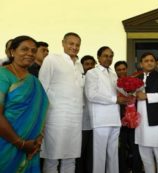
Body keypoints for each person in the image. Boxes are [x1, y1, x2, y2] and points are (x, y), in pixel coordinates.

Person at [0, 35, 49, 172]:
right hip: (5, 145)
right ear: (12, 52)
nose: (30, 53)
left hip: (31, 148)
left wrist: (39, 139)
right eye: (24, 49)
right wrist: (20, 143)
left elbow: (41, 111)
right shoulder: (2, 75)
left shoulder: (35, 82)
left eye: (33, 51)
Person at [39, 32, 84, 173]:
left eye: (77, 45)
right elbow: (42, 88)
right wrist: (41, 118)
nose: (74, 47)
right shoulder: (52, 59)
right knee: (52, 157)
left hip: (75, 118)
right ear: (63, 43)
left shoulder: (79, 65)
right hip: (55, 116)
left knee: (71, 157)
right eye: (71, 43)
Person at [85, 46, 129, 173]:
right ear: (98, 57)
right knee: (99, 155)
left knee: (113, 154)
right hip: (101, 120)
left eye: (110, 56)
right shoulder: (92, 73)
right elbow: (92, 95)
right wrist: (115, 99)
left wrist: (130, 91)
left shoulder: (113, 74)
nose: (108, 59)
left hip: (115, 119)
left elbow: (122, 90)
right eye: (105, 56)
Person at [135, 52, 158, 173]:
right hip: (140, 122)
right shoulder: (136, 78)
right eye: (146, 60)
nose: (149, 62)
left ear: (155, 63)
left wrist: (146, 96)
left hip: (156, 122)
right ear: (141, 64)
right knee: (145, 156)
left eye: (152, 60)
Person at [114, 60, 143, 173]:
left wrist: (132, 96)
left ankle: (136, 169)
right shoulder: (114, 83)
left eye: (123, 69)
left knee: (135, 146)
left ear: (127, 69)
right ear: (116, 71)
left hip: (134, 120)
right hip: (119, 120)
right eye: (119, 69)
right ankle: (123, 170)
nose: (121, 71)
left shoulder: (134, 81)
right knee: (121, 148)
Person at [75, 55, 97, 173]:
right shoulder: (78, 80)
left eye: (91, 64)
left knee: (92, 154)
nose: (89, 66)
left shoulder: (98, 79)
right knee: (79, 153)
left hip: (95, 123)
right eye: (86, 64)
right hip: (81, 123)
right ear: (82, 66)